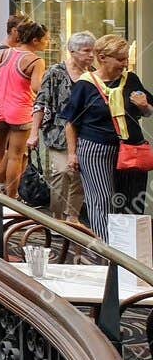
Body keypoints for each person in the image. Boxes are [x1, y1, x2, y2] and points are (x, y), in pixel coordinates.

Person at [61, 35, 153, 236]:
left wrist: (145, 107)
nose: (124, 63)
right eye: (120, 59)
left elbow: (148, 111)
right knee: (102, 200)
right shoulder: (86, 84)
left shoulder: (131, 79)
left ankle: (129, 250)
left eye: (125, 58)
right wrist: (72, 153)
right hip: (96, 148)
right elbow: (70, 121)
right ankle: (107, 252)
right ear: (102, 57)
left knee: (131, 200)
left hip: (131, 148)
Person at [31, 31, 97, 224]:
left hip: (85, 133)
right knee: (60, 172)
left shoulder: (93, 74)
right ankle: (57, 215)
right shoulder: (55, 72)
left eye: (92, 51)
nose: (91, 55)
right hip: (57, 133)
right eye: (86, 51)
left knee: (77, 175)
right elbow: (41, 102)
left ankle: (73, 215)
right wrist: (34, 133)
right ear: (73, 51)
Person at [0, 20, 48, 196]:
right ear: (35, 40)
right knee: (15, 156)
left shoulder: (3, 54)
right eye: (46, 39)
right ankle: (11, 198)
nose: (47, 42)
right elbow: (36, 87)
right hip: (20, 110)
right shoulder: (36, 61)